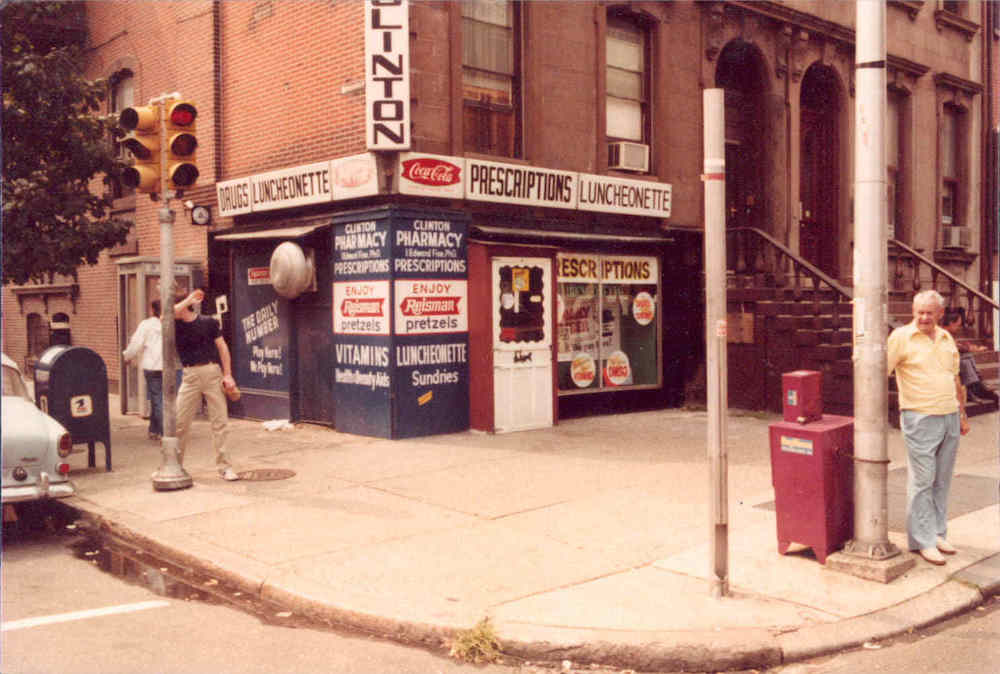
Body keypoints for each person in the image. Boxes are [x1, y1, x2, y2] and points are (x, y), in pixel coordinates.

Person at [887, 290, 969, 566]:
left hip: (949, 416)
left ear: (940, 314)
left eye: (929, 313)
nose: (923, 317)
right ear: (913, 311)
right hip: (919, 417)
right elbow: (878, 371)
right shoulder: (900, 338)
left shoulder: (946, 338)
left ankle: (937, 532)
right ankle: (922, 540)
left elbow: (955, 377)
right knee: (922, 481)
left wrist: (962, 413)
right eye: (919, 312)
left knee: (942, 480)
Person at [174, 289, 240, 481]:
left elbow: (222, 347)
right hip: (190, 375)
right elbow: (165, 315)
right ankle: (175, 465)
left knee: (220, 422)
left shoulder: (208, 322)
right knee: (180, 422)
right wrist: (187, 299)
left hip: (212, 372)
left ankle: (225, 466)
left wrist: (228, 375)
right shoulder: (174, 324)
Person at [122, 300, 166, 441]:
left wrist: (127, 356)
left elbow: (136, 343)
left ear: (152, 310)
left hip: (151, 366)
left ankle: (164, 431)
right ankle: (154, 429)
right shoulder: (170, 323)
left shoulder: (146, 325)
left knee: (157, 398)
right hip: (169, 367)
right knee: (158, 398)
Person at [942, 307, 998, 404]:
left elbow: (957, 345)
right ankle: (972, 390)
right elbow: (952, 347)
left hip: (951, 358)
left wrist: (969, 348)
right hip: (943, 361)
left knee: (967, 356)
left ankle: (977, 384)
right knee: (965, 361)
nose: (958, 328)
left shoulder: (948, 333)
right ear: (951, 323)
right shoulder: (942, 333)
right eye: (957, 325)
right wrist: (970, 348)